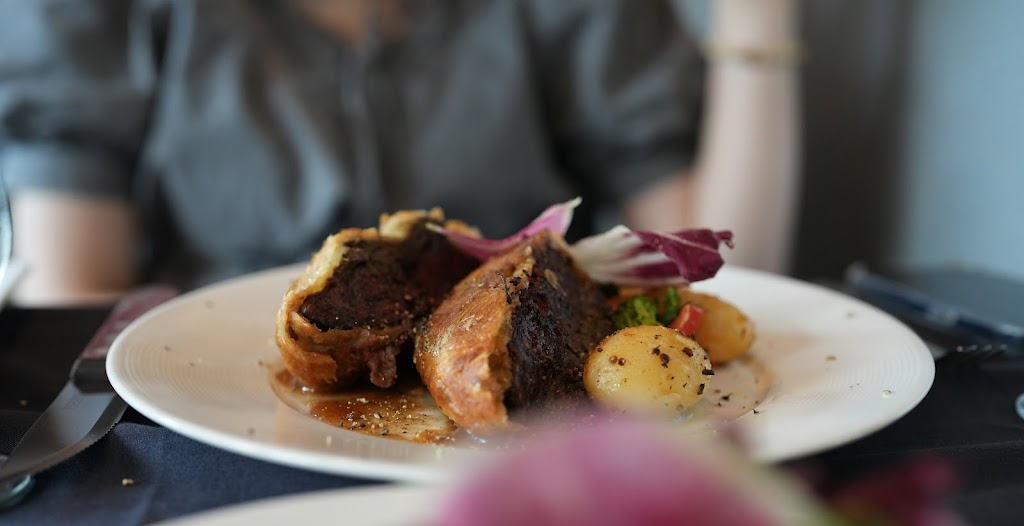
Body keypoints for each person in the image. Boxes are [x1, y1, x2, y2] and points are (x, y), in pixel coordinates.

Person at [0, 0, 801, 306]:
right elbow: (74, 302)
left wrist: (756, 19)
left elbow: (723, 269)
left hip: (513, 429)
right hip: (206, 424)